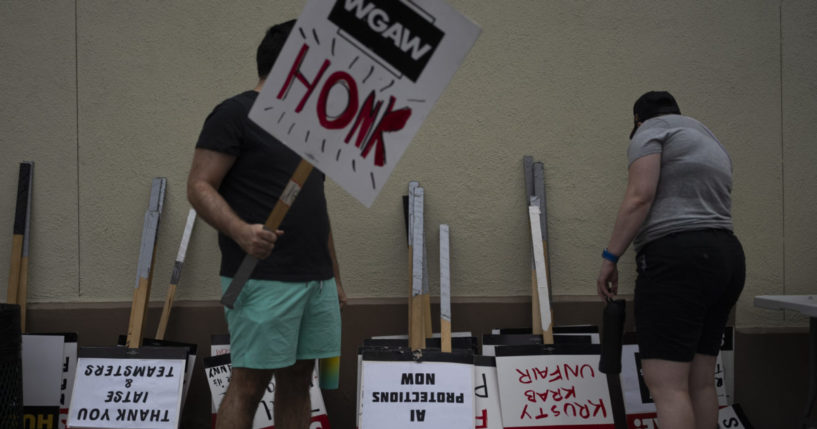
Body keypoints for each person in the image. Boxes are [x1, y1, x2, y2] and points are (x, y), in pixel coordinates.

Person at [187, 20, 347, 429]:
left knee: (299, 381)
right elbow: (199, 185)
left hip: (315, 278)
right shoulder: (234, 114)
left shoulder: (310, 127)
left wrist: (335, 276)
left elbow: (315, 205)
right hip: (262, 278)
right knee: (248, 384)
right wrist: (241, 231)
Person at [596, 91, 745, 429]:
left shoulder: (651, 131)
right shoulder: (707, 137)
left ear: (637, 120)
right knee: (701, 381)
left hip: (678, 260)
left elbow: (640, 196)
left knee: (667, 385)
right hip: (727, 257)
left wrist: (610, 257)